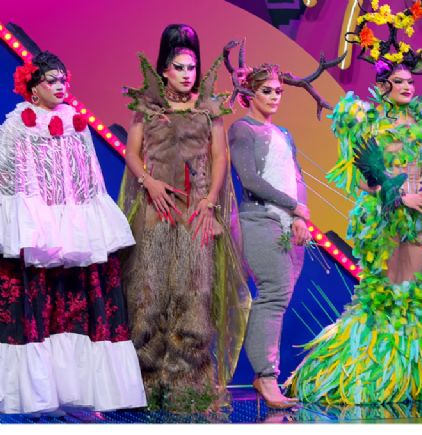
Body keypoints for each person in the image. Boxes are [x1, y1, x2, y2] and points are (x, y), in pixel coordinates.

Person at [285, 1, 422, 405]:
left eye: (409, 82)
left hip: (419, 216)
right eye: (399, 82)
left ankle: (415, 376)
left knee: (413, 292)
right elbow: (366, 179)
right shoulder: (367, 123)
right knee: (383, 292)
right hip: (383, 215)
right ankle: (374, 375)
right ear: (383, 86)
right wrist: (399, 195)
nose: (407, 87)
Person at [0, 50, 145, 413]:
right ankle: (38, 393)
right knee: (38, 304)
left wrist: (86, 226)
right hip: (37, 228)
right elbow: (8, 178)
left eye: (64, 80)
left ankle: (81, 391)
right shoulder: (16, 126)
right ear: (33, 87)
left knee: (78, 302)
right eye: (52, 80)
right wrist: (28, 224)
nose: (60, 86)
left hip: (76, 228)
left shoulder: (75, 123)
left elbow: (90, 179)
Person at [119, 24, 250, 412]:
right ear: (164, 69)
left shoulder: (209, 109)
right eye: (179, 67)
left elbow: (220, 157)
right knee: (149, 297)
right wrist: (148, 182)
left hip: (196, 212)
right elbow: (132, 152)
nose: (187, 74)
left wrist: (209, 201)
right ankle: (145, 384)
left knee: (194, 296)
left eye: (192, 67)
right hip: (156, 211)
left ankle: (188, 387)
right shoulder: (148, 107)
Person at [223, 40, 341, 408]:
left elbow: (296, 177)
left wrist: (300, 216)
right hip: (259, 219)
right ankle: (265, 376)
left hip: (288, 225)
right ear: (250, 93)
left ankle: (266, 376)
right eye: (266, 91)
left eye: (278, 91)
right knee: (273, 293)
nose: (274, 97)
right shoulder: (242, 130)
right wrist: (293, 207)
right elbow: (250, 179)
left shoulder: (284, 134)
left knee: (280, 296)